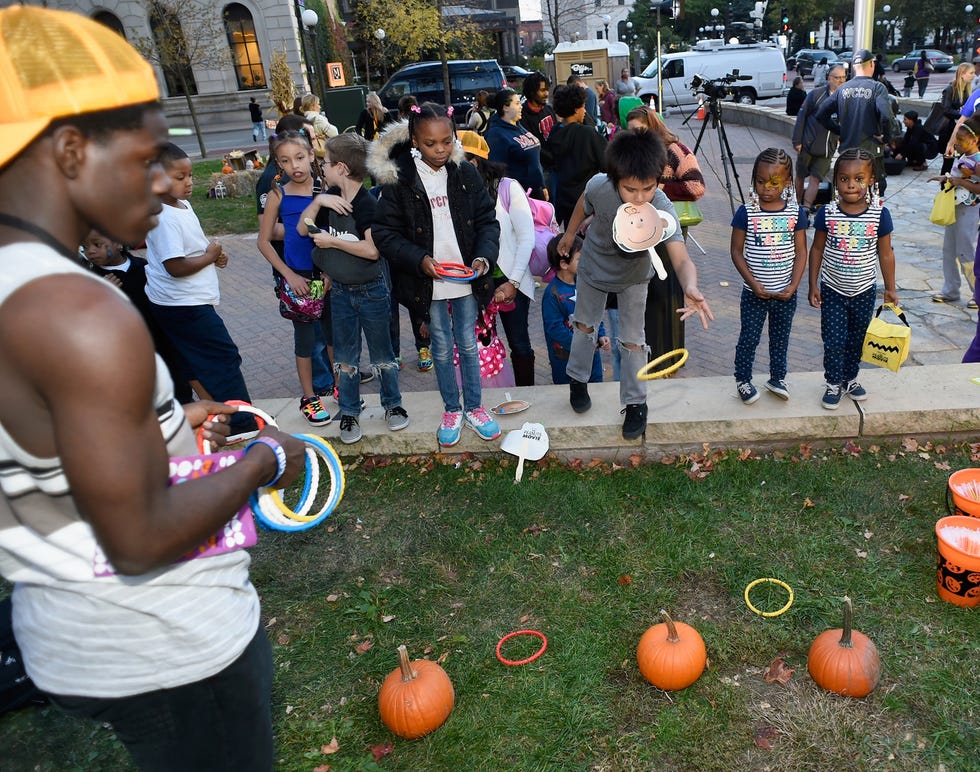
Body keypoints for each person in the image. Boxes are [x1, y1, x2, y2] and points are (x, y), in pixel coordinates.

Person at [0, 7, 306, 769]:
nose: (167, 190)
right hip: (165, 645)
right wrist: (265, 460)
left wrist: (166, 418)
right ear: (70, 151)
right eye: (144, 159)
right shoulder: (79, 313)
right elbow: (138, 539)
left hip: (70, 630)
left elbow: (48, 441)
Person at [556, 130, 713, 440]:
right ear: (615, 180)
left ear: (658, 180)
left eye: (648, 188)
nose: (640, 197)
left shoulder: (662, 206)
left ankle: (635, 403)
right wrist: (570, 234)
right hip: (593, 269)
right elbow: (582, 205)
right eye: (630, 190)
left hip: (635, 277)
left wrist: (691, 286)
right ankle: (577, 380)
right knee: (585, 326)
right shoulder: (600, 187)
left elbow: (680, 258)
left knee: (632, 340)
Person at [369, 103, 502, 447]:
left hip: (465, 279)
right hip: (428, 282)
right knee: (441, 347)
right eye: (431, 144)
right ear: (414, 140)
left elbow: (488, 220)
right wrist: (419, 260)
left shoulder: (465, 173)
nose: (441, 149)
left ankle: (474, 406)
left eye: (447, 141)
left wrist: (483, 259)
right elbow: (384, 233)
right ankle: (451, 408)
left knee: (468, 344)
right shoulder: (400, 179)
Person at [299, 134, 410, 444]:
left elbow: (372, 250)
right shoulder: (330, 196)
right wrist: (319, 200)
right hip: (341, 293)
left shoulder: (366, 204)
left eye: (325, 163)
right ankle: (349, 412)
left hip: (372, 289)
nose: (321, 167)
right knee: (345, 357)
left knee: (382, 354)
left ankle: (393, 405)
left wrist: (333, 241)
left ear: (342, 168)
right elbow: (301, 228)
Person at [144, 143, 258, 437]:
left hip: (185, 301)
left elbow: (191, 247)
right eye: (179, 178)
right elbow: (175, 265)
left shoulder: (182, 206)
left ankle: (218, 414)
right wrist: (208, 257)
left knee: (195, 360)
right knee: (223, 357)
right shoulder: (163, 218)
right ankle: (241, 422)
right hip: (181, 304)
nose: (189, 182)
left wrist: (213, 256)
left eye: (190, 175)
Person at [256, 129, 335, 426]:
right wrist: (288, 275)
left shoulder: (323, 189)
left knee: (334, 337)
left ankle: (342, 389)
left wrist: (330, 273)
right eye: (286, 161)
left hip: (328, 275)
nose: (295, 166)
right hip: (299, 278)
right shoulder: (279, 194)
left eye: (300, 158)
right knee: (305, 341)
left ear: (311, 155)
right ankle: (309, 398)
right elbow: (264, 241)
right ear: (279, 164)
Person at [808, 147, 897, 409]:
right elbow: (816, 249)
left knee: (857, 338)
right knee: (834, 340)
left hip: (864, 290)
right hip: (833, 289)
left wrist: (890, 289)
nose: (851, 185)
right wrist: (813, 284)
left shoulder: (880, 214)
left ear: (871, 180)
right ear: (836, 181)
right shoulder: (828, 213)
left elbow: (886, 254)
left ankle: (850, 378)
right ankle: (833, 382)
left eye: (859, 179)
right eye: (844, 179)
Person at [625, 105, 706, 367]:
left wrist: (658, 189)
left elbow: (695, 186)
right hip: (642, 231)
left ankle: (669, 359)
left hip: (669, 231)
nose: (635, 137)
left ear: (653, 126)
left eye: (640, 131)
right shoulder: (637, 153)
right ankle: (651, 357)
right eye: (631, 132)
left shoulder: (674, 149)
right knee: (646, 298)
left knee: (669, 294)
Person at [458, 130, 538, 386]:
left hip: (511, 279)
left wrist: (512, 282)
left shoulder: (507, 188)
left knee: (519, 343)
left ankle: (528, 396)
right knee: (478, 345)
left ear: (473, 162)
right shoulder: (457, 193)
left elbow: (527, 238)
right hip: (475, 281)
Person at [730, 149, 808, 404]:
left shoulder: (796, 214)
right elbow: (736, 251)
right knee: (749, 338)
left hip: (785, 294)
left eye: (774, 183)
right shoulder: (746, 212)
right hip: (754, 293)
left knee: (780, 338)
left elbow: (801, 253)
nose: (766, 188)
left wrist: (794, 285)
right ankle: (743, 379)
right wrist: (753, 283)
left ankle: (778, 378)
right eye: (760, 182)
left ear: (787, 183)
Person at [81, 230, 193, 404]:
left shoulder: (144, 267)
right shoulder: (91, 280)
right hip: (128, 353)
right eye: (85, 247)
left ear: (118, 242)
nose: (90, 251)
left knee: (179, 390)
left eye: (97, 244)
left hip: (163, 344)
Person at [815, 50, 894, 195]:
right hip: (871, 152)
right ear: (871, 64)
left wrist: (840, 130)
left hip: (847, 151)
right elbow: (887, 117)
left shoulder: (842, 89)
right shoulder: (877, 88)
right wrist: (886, 138)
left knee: (847, 190)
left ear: (854, 67)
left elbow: (821, 114)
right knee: (875, 189)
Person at [927, 116, 980, 307]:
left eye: (962, 141)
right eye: (957, 140)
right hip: (954, 207)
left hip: (969, 209)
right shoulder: (964, 156)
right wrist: (943, 178)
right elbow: (956, 176)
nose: (957, 144)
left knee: (966, 251)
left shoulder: (977, 160)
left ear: (975, 140)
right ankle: (950, 289)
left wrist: (960, 182)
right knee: (949, 250)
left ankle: (977, 292)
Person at [542, 234, 609, 383]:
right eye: (580, 259)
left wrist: (601, 335)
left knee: (595, 388)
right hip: (566, 361)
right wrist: (581, 346)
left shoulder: (586, 283)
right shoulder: (552, 294)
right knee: (569, 396)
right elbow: (554, 328)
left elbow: (595, 313)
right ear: (564, 264)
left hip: (592, 357)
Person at [545, 84, 607, 228]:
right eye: (583, 107)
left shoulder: (554, 134)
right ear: (575, 109)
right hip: (587, 202)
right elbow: (608, 164)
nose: (584, 111)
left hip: (564, 200)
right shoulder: (588, 134)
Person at [793, 64, 846, 211]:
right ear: (829, 78)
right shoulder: (816, 95)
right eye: (837, 77)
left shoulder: (846, 99)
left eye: (843, 77)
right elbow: (801, 116)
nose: (840, 81)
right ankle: (796, 205)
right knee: (801, 175)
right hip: (807, 144)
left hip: (827, 149)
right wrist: (797, 140)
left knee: (816, 179)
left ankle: (806, 207)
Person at [485, 88, 548, 200]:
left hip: (536, 191)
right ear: (505, 107)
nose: (521, 106)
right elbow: (495, 171)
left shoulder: (518, 126)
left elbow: (534, 160)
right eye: (517, 103)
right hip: (519, 196)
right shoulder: (496, 134)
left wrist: (542, 185)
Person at [938, 63, 976, 175]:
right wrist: (963, 114)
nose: (974, 76)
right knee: (948, 162)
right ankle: (944, 187)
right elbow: (946, 110)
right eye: (971, 73)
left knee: (963, 161)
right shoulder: (950, 90)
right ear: (962, 74)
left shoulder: (968, 91)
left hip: (963, 131)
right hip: (950, 130)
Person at [301, 92, 338, 156]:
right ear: (312, 106)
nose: (320, 107)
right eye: (318, 104)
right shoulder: (318, 119)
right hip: (325, 150)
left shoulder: (305, 119)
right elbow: (334, 133)